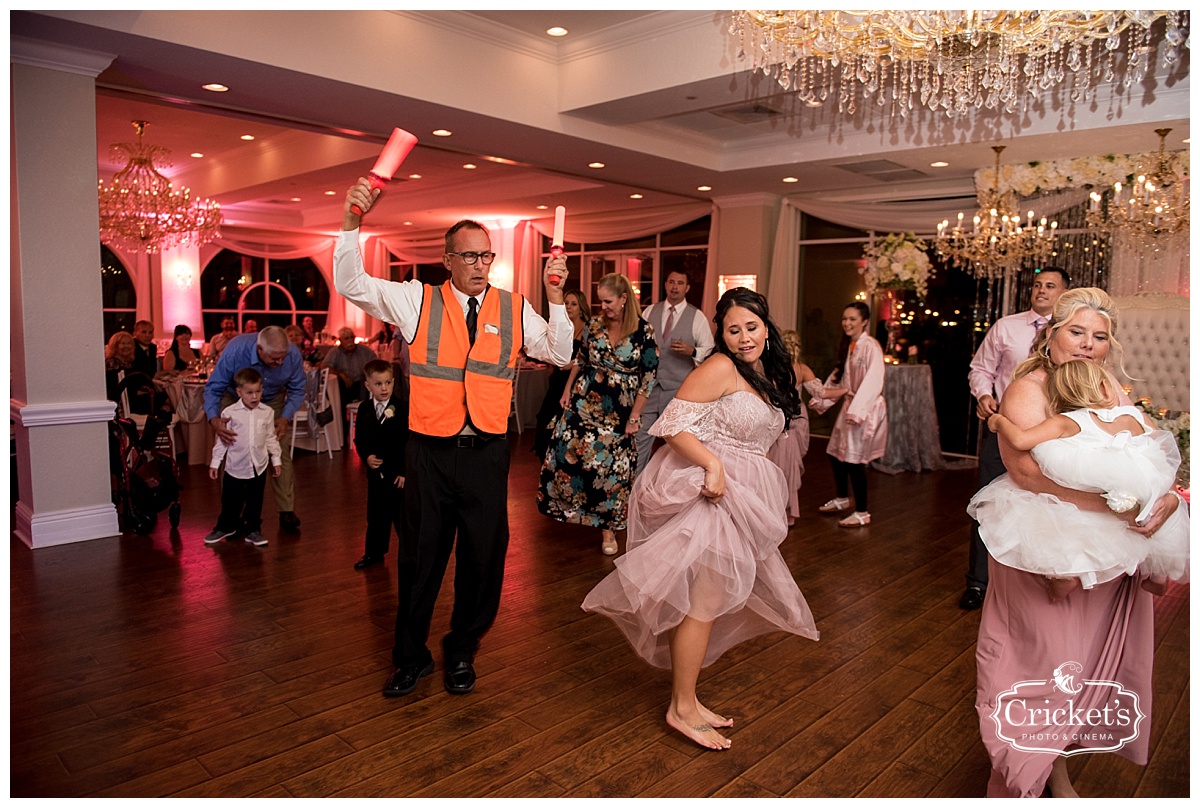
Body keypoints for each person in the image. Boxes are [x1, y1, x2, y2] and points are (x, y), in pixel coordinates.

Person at [335, 178, 573, 700]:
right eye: (468, 256)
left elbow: (558, 352)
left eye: (486, 255)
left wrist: (555, 297)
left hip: (487, 452)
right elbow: (352, 283)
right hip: (429, 454)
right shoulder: (415, 300)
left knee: (484, 559)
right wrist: (352, 222)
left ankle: (462, 649)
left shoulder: (513, 307)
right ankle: (410, 658)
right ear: (447, 260)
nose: (479, 265)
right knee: (420, 559)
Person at [582, 287, 819, 751]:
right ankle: (681, 707)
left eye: (752, 327)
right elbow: (670, 425)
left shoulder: (764, 372)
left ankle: (687, 700)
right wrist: (712, 465)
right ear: (722, 334)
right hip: (712, 492)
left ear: (766, 327)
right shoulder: (720, 367)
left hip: (742, 492)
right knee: (703, 601)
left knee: (707, 599)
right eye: (734, 329)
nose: (745, 336)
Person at [973, 287, 1182, 798]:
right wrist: (1120, 504)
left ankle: (1057, 766)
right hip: (1043, 538)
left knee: (1087, 670)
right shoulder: (1030, 387)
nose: (1088, 344)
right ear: (1051, 334)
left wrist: (1169, 497)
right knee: (1042, 660)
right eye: (1077, 332)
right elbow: (1026, 473)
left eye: (1100, 336)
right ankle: (1020, 771)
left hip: (1114, 551)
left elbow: (1145, 450)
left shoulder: (1107, 386)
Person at [970, 358, 1188, 588]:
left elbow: (1021, 440)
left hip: (1105, 486)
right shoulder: (1132, 417)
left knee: (1074, 520)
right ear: (1106, 389)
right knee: (1162, 517)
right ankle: (1159, 576)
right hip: (1144, 486)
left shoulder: (1068, 421)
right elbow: (1160, 448)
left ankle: (1070, 576)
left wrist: (999, 422)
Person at [960, 268, 1070, 610]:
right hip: (1004, 428)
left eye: (1050, 286)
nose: (1041, 290)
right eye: (1037, 285)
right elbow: (981, 369)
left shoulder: (1071, 331)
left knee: (1047, 506)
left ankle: (1035, 583)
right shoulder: (1005, 327)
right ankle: (978, 582)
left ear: (1064, 293)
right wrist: (983, 396)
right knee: (988, 503)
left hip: (1055, 436)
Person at [538, 273, 658, 556]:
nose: (603, 306)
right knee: (568, 455)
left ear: (624, 299)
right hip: (585, 398)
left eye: (608, 301)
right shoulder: (594, 325)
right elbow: (580, 359)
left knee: (614, 470)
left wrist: (635, 416)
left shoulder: (644, 331)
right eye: (600, 301)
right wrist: (567, 390)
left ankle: (609, 529)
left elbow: (649, 377)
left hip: (620, 409)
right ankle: (571, 511)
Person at [203, 325, 306, 533]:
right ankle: (234, 514)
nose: (280, 363)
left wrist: (285, 418)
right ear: (259, 349)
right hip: (235, 396)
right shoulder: (235, 350)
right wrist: (213, 418)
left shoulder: (292, 354)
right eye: (275, 359)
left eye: (282, 358)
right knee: (234, 448)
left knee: (279, 449)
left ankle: (286, 511)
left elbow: (297, 389)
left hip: (272, 398)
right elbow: (214, 387)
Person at [809, 301, 887, 527]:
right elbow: (840, 378)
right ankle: (843, 498)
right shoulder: (848, 345)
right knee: (835, 453)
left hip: (864, 409)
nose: (847, 323)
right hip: (850, 406)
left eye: (852, 319)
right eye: (845, 318)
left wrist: (858, 410)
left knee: (855, 460)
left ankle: (862, 511)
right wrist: (821, 398)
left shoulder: (871, 346)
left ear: (864, 321)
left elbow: (873, 381)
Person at [636, 269, 715, 473]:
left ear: (687, 287)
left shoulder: (696, 316)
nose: (675, 287)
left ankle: (670, 489)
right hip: (649, 389)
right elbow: (637, 342)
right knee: (640, 440)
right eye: (671, 282)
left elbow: (709, 349)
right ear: (665, 284)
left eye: (680, 283)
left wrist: (692, 351)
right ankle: (636, 488)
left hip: (678, 391)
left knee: (677, 445)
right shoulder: (649, 311)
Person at [204, 368, 282, 548]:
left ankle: (253, 529)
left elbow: (270, 437)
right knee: (231, 499)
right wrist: (215, 463)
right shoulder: (229, 413)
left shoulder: (267, 412)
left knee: (255, 499)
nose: (255, 396)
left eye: (258, 391)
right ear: (239, 392)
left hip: (259, 464)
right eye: (249, 392)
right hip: (235, 466)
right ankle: (225, 526)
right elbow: (223, 440)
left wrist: (275, 460)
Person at [352, 359, 411, 571]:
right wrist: (366, 456)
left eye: (388, 383)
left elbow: (407, 443)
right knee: (376, 516)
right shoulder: (365, 408)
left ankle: (411, 554)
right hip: (376, 476)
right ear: (368, 385)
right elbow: (360, 439)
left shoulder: (402, 408)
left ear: (393, 382)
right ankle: (374, 553)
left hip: (397, 475)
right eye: (378, 384)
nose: (384, 388)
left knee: (402, 518)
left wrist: (404, 472)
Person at [766, 329, 823, 526]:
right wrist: (846, 390)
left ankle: (776, 509)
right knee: (789, 466)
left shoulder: (772, 369)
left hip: (783, 418)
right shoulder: (801, 369)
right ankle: (788, 511)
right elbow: (821, 393)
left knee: (776, 464)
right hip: (796, 419)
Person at [533, 288, 590, 460]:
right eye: (566, 303)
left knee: (568, 424)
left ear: (581, 307)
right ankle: (545, 458)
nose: (569, 307)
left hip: (577, 381)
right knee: (545, 418)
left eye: (574, 304)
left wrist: (572, 363)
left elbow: (591, 357)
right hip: (558, 380)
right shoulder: (561, 327)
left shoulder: (588, 328)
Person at [321, 327, 377, 417]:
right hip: (345, 386)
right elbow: (325, 367)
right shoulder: (335, 352)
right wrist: (341, 374)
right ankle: (343, 424)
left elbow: (376, 363)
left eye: (351, 337)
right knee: (339, 385)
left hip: (362, 385)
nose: (350, 341)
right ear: (340, 340)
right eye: (346, 339)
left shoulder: (364, 350)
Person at [103, 331, 136, 403]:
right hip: (119, 402)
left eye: (129, 343)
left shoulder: (129, 363)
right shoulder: (112, 364)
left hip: (129, 399)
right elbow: (113, 389)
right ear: (115, 346)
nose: (126, 346)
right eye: (123, 343)